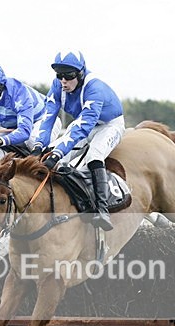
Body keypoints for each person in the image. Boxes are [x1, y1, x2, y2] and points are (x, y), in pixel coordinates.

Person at [32, 51, 125, 231]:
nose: (63, 81)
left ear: (80, 74)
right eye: (59, 76)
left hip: (108, 125)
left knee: (94, 156)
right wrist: (38, 146)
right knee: (51, 156)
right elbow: (48, 118)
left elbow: (83, 126)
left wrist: (59, 152)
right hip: (83, 124)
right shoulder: (57, 86)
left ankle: (102, 209)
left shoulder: (94, 88)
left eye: (69, 76)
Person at [0, 62, 61, 167]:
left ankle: (56, 169)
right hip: (16, 127)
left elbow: (24, 132)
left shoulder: (18, 93)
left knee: (32, 142)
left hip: (44, 121)